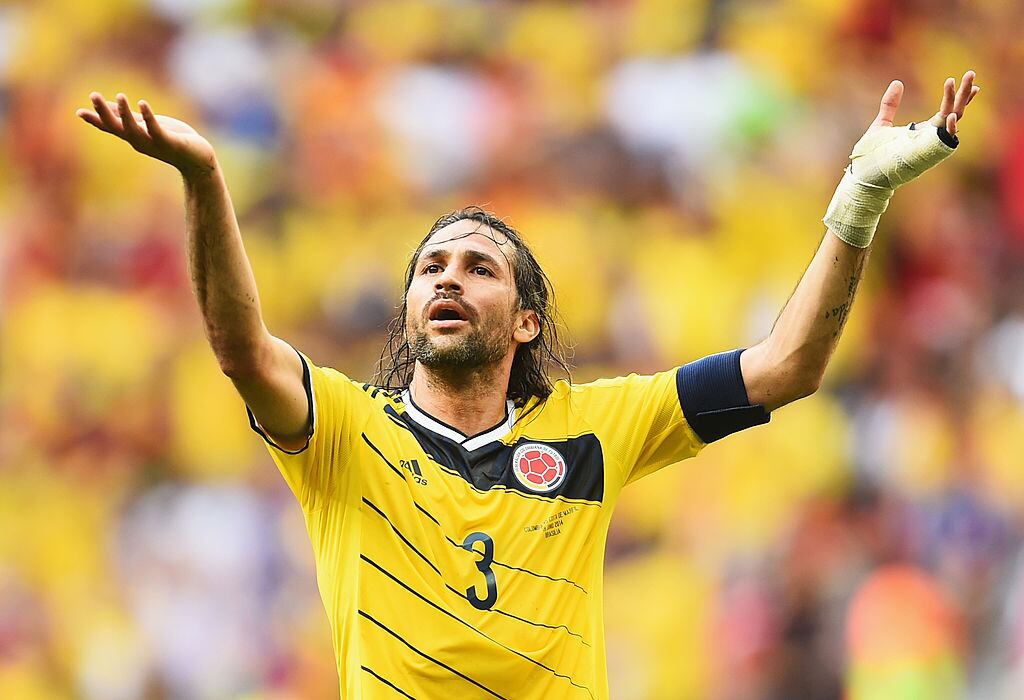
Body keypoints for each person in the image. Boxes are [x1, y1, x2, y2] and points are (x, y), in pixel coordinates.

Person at [77, 71, 980, 699]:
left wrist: (859, 195)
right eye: (431, 266)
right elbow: (241, 349)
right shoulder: (347, 434)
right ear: (407, 313)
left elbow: (787, 365)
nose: (448, 278)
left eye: (478, 266)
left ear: (524, 321)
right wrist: (203, 178)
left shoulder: (596, 427)